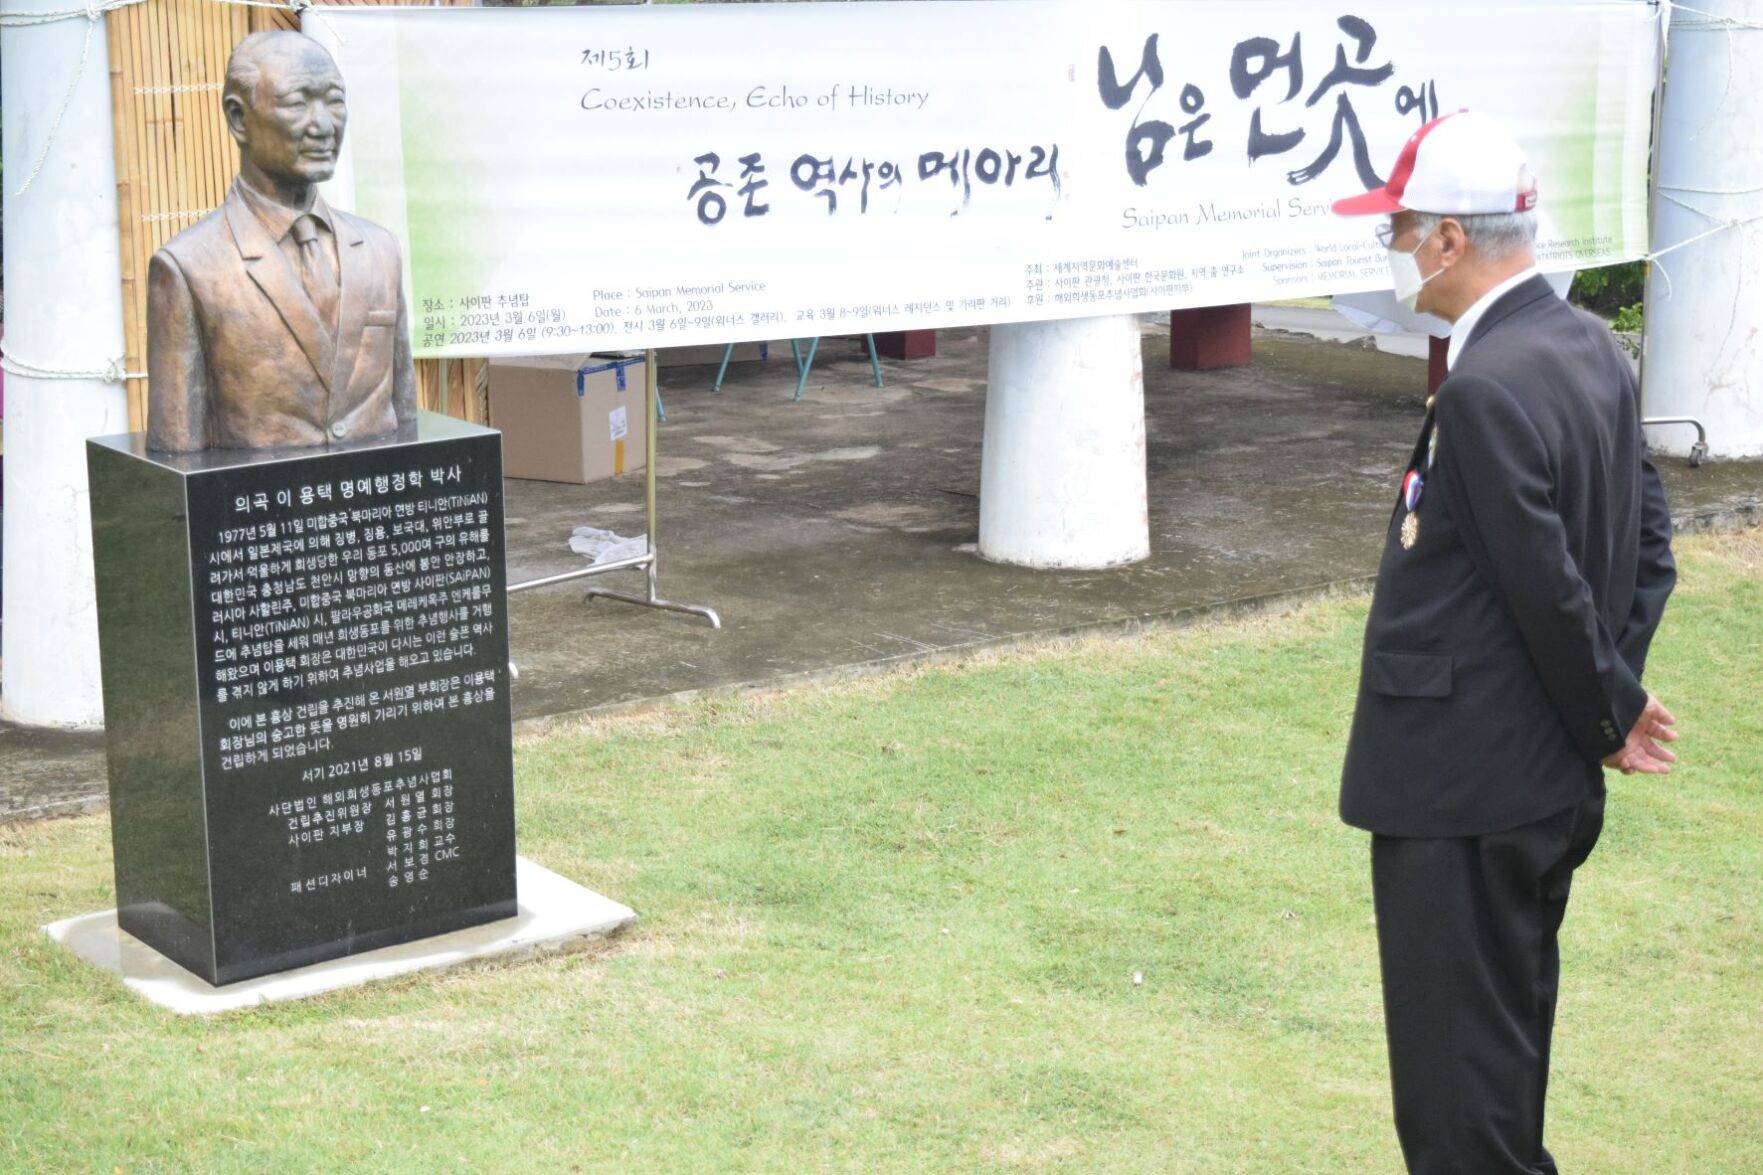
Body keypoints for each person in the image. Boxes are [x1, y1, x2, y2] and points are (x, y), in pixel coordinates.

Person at [1332, 110, 1679, 1173]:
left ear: (1447, 240)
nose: (1393, 255)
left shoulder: (1484, 385)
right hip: (1532, 783)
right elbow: (1648, 543)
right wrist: (1605, 705)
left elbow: (1545, 587)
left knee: (1457, 1113)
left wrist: (1608, 708)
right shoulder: (1581, 346)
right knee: (1499, 1071)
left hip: (1465, 791)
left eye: (1398, 233)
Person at [146, 30, 416, 452]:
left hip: (371, 503)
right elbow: (177, 447)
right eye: (297, 102)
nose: (323, 124)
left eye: (335, 100)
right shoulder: (188, 267)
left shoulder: (380, 249)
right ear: (239, 119)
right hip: (264, 508)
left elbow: (405, 420)